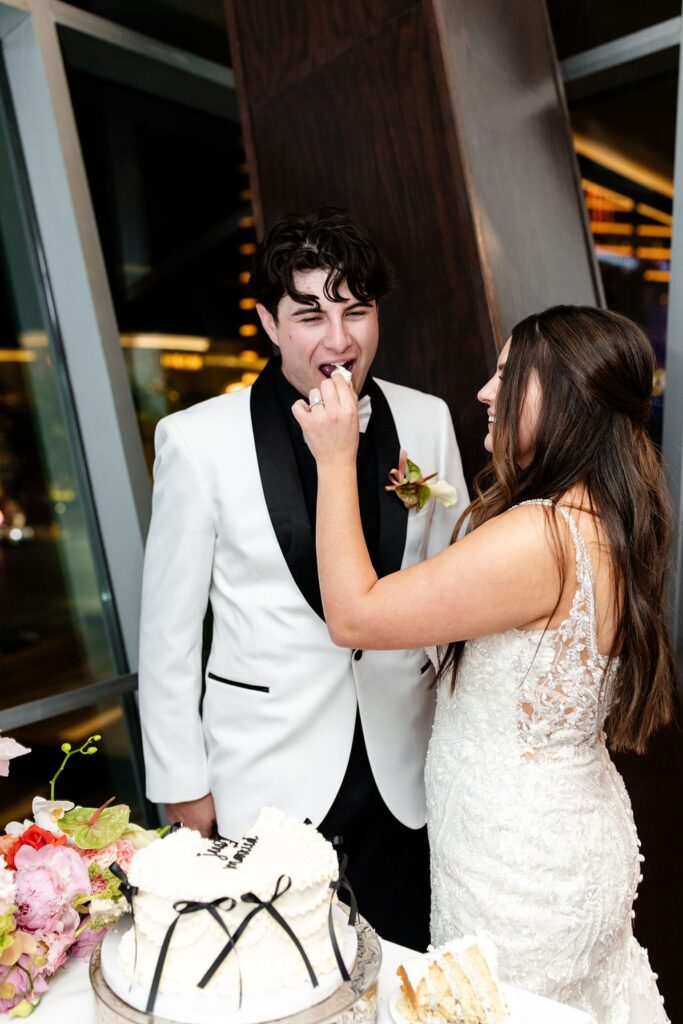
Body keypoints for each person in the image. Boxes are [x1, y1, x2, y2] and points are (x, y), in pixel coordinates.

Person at [293, 305, 674, 1021]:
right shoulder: (610, 518)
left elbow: (355, 614)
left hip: (517, 868)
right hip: (568, 833)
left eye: (508, 375)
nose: (484, 392)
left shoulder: (541, 535)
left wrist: (337, 458)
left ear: (562, 396)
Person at [137, 208, 468, 948]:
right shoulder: (197, 441)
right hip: (264, 772)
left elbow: (454, 585)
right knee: (277, 974)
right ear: (267, 321)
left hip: (405, 765)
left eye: (357, 310)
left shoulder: (426, 420)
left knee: (407, 963)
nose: (339, 339)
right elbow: (167, 632)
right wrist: (180, 781)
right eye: (311, 314)